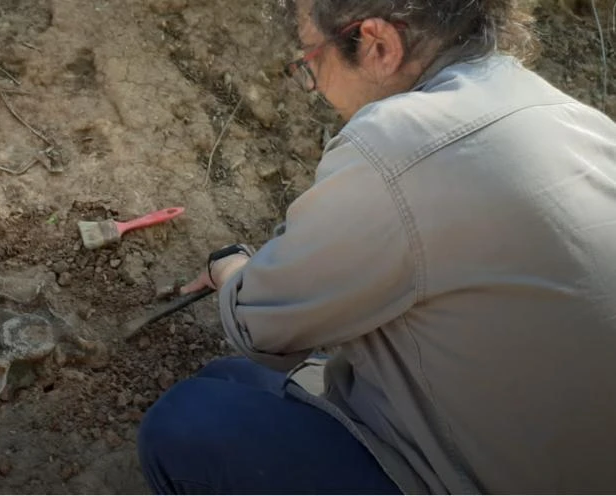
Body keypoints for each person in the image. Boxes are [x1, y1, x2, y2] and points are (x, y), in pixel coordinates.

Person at [137, 0, 616, 493]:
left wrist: (231, 268)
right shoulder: (579, 121)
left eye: (310, 58)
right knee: (236, 381)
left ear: (377, 44)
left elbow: (260, 326)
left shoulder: (400, 142)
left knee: (191, 424)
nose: (315, 84)